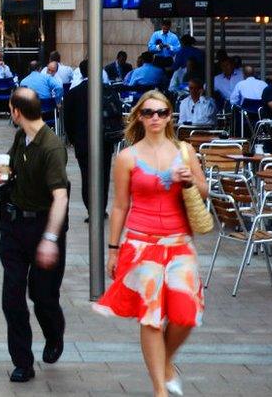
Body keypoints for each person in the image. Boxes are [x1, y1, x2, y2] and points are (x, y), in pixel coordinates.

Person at [94, 90, 207, 397]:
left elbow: (204, 190)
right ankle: (160, 389)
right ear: (139, 117)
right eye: (148, 113)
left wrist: (189, 181)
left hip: (179, 243)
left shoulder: (185, 150)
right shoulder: (127, 157)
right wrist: (113, 249)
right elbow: (119, 206)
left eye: (162, 112)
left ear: (170, 115)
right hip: (142, 244)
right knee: (152, 317)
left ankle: (166, 361)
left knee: (186, 314)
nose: (155, 118)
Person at [0, 87, 69, 383]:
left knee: (42, 296)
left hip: (43, 227)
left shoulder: (51, 147)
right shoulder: (21, 137)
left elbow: (60, 197)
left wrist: (50, 239)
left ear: (16, 112)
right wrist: (7, 176)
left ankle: (54, 334)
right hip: (14, 228)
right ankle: (22, 361)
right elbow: (14, 169)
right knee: (12, 297)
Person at [64, 59, 121, 224]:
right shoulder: (108, 90)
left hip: (83, 142)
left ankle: (91, 209)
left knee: (86, 176)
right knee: (103, 176)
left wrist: (73, 139)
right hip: (105, 141)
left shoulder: (73, 94)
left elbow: (67, 120)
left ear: (81, 73)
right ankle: (101, 209)